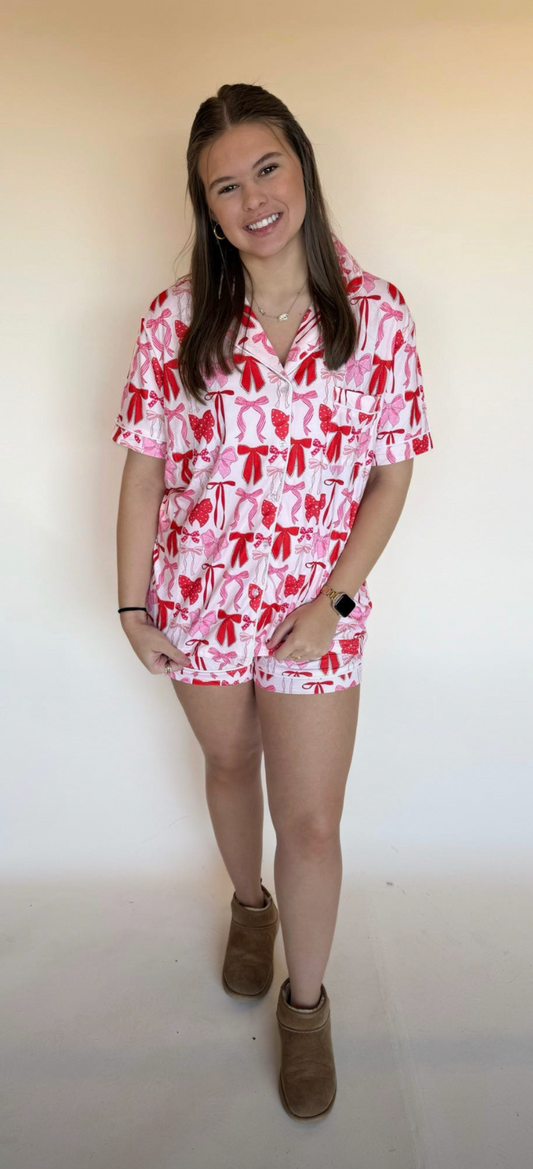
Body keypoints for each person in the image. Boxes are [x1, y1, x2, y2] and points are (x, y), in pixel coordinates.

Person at [111, 82, 434, 1122]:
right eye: (224, 185)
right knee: (228, 762)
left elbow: (389, 476)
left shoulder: (375, 316)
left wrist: (335, 598)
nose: (252, 197)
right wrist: (133, 607)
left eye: (266, 167)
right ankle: (246, 907)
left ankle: (306, 1007)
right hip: (197, 602)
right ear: (204, 207)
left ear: (300, 166)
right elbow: (145, 471)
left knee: (311, 817)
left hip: (312, 612)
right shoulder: (176, 319)